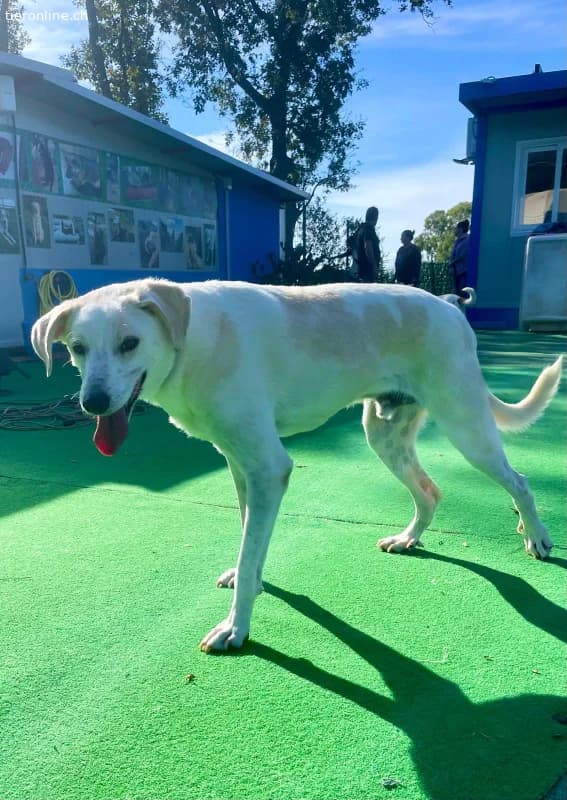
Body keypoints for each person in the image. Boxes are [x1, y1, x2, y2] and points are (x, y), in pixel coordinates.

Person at [355, 206, 381, 282]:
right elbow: (368, 246)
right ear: (376, 217)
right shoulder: (369, 229)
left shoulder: (361, 229)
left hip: (361, 268)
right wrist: (373, 265)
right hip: (367, 269)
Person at [448, 219, 470, 295]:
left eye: (456, 228)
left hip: (463, 273)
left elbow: (461, 256)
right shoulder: (457, 241)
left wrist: (451, 263)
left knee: (462, 294)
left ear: (460, 229)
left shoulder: (467, 240)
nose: (455, 230)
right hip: (457, 272)